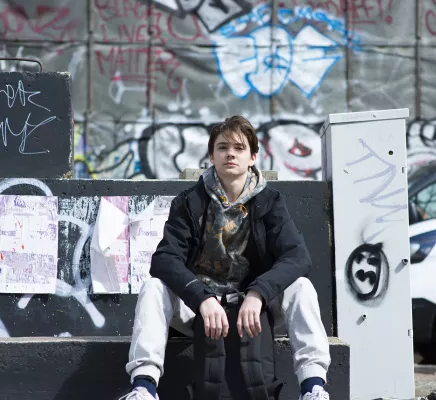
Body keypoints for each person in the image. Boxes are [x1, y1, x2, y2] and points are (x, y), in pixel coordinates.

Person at [120, 116, 331, 400]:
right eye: (222, 147)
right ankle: (144, 388)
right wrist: (202, 297)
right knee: (153, 287)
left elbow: (297, 257)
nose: (230, 153)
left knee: (302, 287)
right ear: (211, 156)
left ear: (253, 157)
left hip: (255, 309)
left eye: (239, 148)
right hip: (199, 308)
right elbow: (165, 259)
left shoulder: (270, 202)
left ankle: (313, 388)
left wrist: (257, 294)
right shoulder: (189, 202)